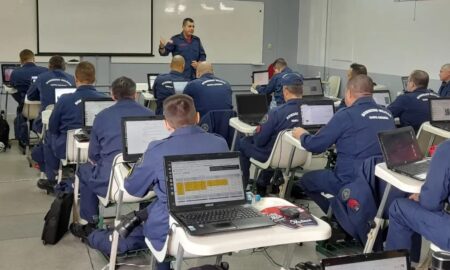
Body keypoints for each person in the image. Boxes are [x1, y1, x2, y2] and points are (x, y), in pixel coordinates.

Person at [122, 94, 229, 270]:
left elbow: (133, 189)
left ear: (166, 124)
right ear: (198, 117)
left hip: (171, 234)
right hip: (216, 225)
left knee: (158, 208)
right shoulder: (220, 142)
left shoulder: (157, 149)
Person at [292, 75, 396, 213]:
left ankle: (337, 215)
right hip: (379, 182)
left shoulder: (346, 115)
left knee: (306, 181)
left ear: (348, 93)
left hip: (348, 180)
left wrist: (302, 135)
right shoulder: (387, 114)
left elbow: (315, 146)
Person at [69, 76, 154, 237]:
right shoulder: (150, 114)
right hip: (146, 186)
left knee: (84, 169)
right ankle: (144, 218)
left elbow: (93, 156)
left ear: (112, 95)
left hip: (112, 186)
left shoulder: (102, 116)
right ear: (135, 94)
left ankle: (90, 223)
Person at [37, 61, 105, 191]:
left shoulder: (64, 99)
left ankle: (52, 178)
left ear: (75, 79)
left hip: (67, 150)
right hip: (96, 150)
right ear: (94, 79)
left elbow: (52, 126)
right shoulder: (104, 98)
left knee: (48, 134)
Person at [385, 140, 450, 262]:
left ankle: (399, 265)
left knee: (398, 208)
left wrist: (422, 196)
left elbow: (431, 204)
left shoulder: (446, 149)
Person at [239, 73, 304, 195]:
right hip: (300, 158)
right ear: (302, 90)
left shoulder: (275, 113)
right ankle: (264, 182)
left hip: (274, 158)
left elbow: (259, 141)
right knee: (274, 145)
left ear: (285, 90)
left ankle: (242, 188)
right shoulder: (311, 110)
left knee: (243, 143)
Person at [27, 55, 75, 133]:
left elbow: (30, 96)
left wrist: (43, 95)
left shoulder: (41, 77)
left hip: (46, 122)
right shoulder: (71, 78)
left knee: (36, 124)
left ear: (49, 65)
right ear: (64, 66)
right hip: (67, 121)